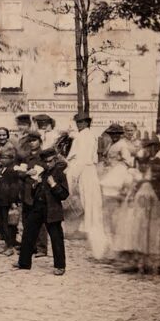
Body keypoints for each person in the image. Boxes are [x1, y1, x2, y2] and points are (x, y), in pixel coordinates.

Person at [112, 138, 160, 274]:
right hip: (141, 198)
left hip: (154, 199)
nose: (149, 150)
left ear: (156, 149)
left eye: (151, 148)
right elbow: (138, 177)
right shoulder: (144, 161)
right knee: (140, 227)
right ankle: (140, 260)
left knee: (152, 229)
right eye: (147, 147)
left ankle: (153, 261)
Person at [14, 147, 70, 275]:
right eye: (45, 162)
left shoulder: (60, 174)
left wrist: (54, 185)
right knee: (28, 234)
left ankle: (60, 266)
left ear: (55, 160)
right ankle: (24, 263)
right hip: (38, 207)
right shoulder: (43, 173)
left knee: (56, 238)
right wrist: (35, 186)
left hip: (52, 210)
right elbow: (35, 193)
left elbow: (64, 195)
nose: (48, 164)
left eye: (50, 161)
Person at [65, 111, 108, 259]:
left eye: (82, 122)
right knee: (86, 198)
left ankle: (89, 227)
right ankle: (85, 225)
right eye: (77, 122)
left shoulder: (86, 136)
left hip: (85, 169)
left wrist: (74, 174)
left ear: (87, 123)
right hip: (83, 168)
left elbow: (82, 157)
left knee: (88, 198)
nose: (79, 124)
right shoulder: (84, 135)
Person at [0, 145, 22, 256]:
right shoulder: (4, 169)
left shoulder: (12, 169)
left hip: (7, 201)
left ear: (11, 158)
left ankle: (10, 246)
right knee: (2, 224)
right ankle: (6, 244)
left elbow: (14, 187)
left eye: (5, 157)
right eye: (1, 157)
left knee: (9, 224)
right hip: (1, 201)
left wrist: (13, 201)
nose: (2, 160)